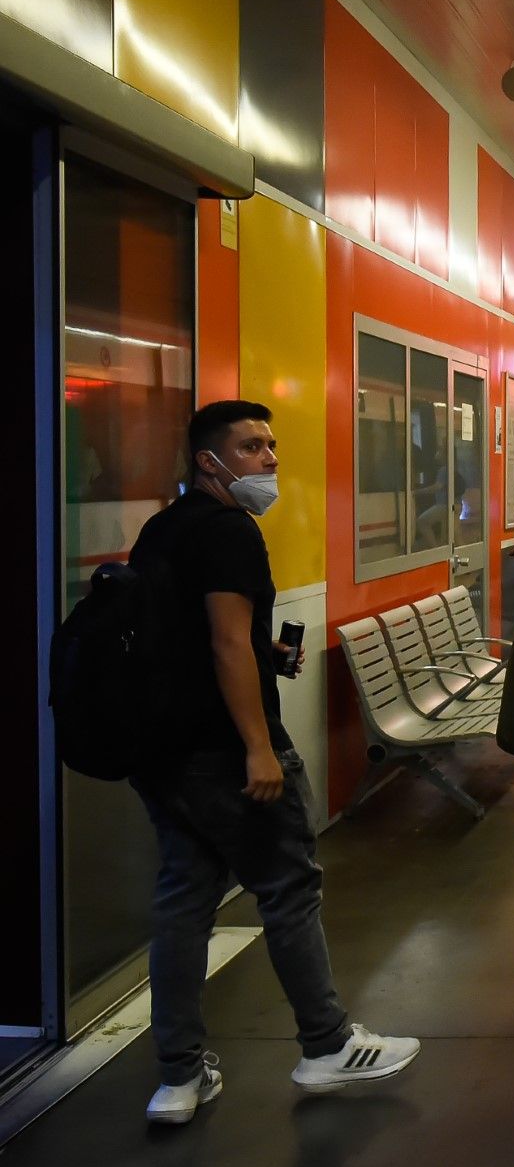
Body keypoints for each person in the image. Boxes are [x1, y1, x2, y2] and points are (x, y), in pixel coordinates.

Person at [130, 401, 419, 1123]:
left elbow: (191, 640)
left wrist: (267, 655)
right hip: (226, 752)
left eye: (271, 444)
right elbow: (227, 644)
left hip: (163, 752)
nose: (269, 458)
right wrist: (260, 747)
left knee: (182, 902)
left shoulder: (161, 531)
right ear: (209, 460)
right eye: (252, 446)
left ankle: (177, 1076)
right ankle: (325, 1042)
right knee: (289, 886)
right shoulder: (230, 532)